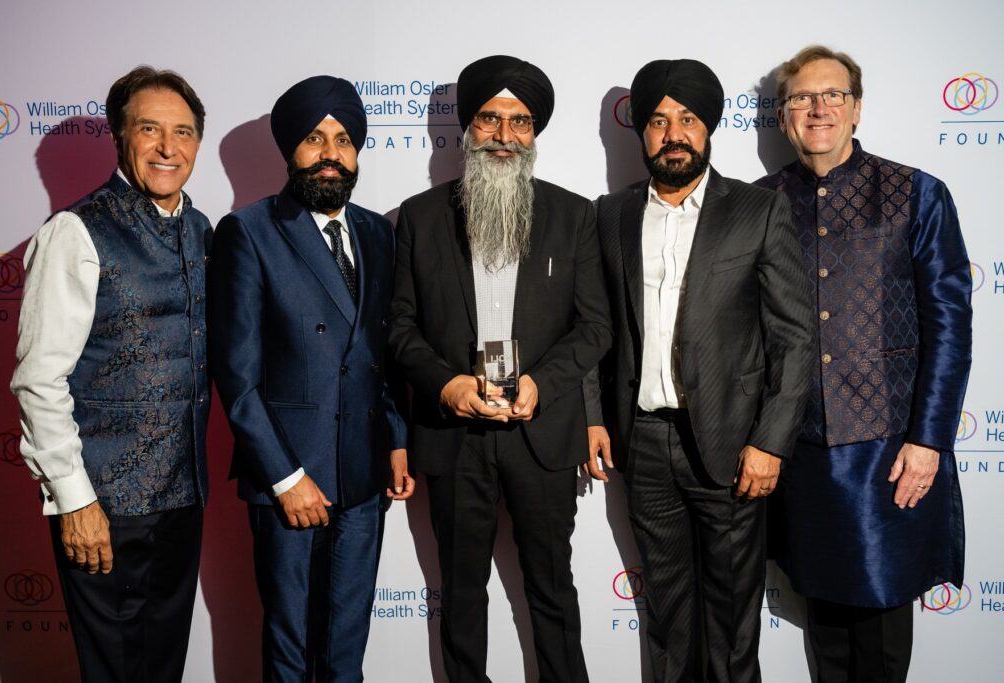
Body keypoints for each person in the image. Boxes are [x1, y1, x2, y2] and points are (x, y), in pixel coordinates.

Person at [583, 59, 815, 683]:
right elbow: (595, 327)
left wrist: (770, 443)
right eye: (659, 121)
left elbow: (795, 338)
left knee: (733, 618)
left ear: (708, 128)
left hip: (733, 443)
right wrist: (592, 417)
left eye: (687, 119)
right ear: (641, 133)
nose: (674, 134)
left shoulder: (757, 210)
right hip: (643, 443)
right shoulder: (610, 214)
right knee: (667, 615)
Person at [388, 55, 612, 683]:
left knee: (552, 588)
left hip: (542, 433)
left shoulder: (573, 215)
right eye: (490, 119)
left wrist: (542, 383)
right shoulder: (420, 216)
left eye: (520, 122)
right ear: (468, 127)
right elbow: (399, 328)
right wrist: (448, 385)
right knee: (461, 594)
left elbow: (594, 327)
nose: (504, 135)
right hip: (455, 435)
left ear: (534, 132)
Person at [756, 45, 972, 682]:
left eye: (833, 95)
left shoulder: (917, 193)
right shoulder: (760, 203)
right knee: (823, 624)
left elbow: (950, 326)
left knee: (882, 624)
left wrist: (928, 441)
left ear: (857, 109)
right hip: (799, 450)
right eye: (802, 97)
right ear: (783, 116)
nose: (818, 108)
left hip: (889, 450)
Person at [9, 65, 210, 682]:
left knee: (163, 668)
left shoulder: (201, 230)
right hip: (104, 506)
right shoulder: (75, 232)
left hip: (183, 498)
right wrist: (74, 500)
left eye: (182, 132)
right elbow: (39, 380)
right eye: (149, 129)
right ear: (120, 136)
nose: (167, 147)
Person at [208, 75, 411, 683]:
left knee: (348, 643)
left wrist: (396, 438)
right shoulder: (248, 230)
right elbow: (237, 377)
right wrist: (285, 477)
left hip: (363, 472)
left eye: (344, 140)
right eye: (315, 138)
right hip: (290, 475)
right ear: (289, 149)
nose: (331, 153)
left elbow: (379, 353)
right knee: (291, 644)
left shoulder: (376, 232)